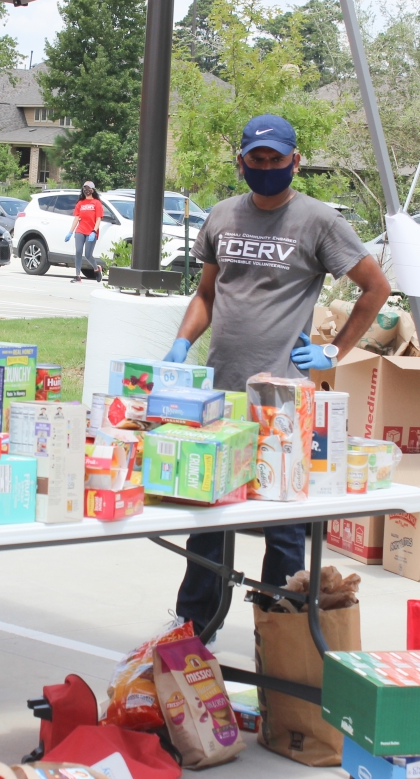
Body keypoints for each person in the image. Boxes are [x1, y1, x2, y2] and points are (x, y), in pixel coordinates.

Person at [163, 114, 390, 635]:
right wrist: (182, 342)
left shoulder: (319, 222)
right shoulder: (221, 217)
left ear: (295, 160)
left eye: (276, 159)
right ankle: (197, 621)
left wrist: (335, 351)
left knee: (284, 527)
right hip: (219, 392)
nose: (266, 168)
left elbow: (375, 287)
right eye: (257, 159)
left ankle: (279, 625)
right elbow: (206, 294)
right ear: (241, 160)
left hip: (283, 399)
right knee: (209, 515)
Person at [65, 181, 104, 283]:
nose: (87, 190)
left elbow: (98, 219)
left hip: (91, 231)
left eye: (89, 188)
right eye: (85, 188)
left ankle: (96, 268)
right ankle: (78, 276)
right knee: (78, 251)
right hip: (80, 230)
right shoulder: (80, 203)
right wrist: (70, 232)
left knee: (88, 254)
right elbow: (76, 218)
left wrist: (94, 231)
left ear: (93, 190)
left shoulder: (97, 203)